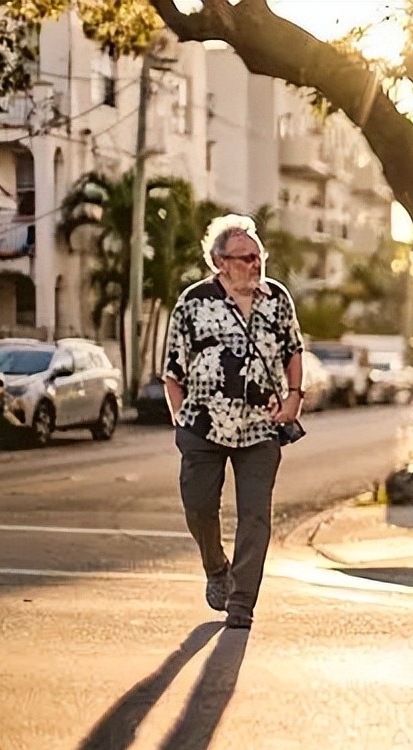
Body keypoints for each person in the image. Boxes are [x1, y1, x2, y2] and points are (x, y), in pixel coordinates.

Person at [163, 214, 304, 630]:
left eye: (258, 257)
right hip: (202, 426)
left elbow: (293, 349)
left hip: (261, 426)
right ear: (220, 262)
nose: (255, 265)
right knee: (199, 507)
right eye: (245, 258)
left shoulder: (276, 299)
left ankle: (242, 602)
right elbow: (173, 368)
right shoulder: (194, 301)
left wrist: (294, 398)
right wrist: (180, 421)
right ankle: (215, 566)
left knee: (255, 516)